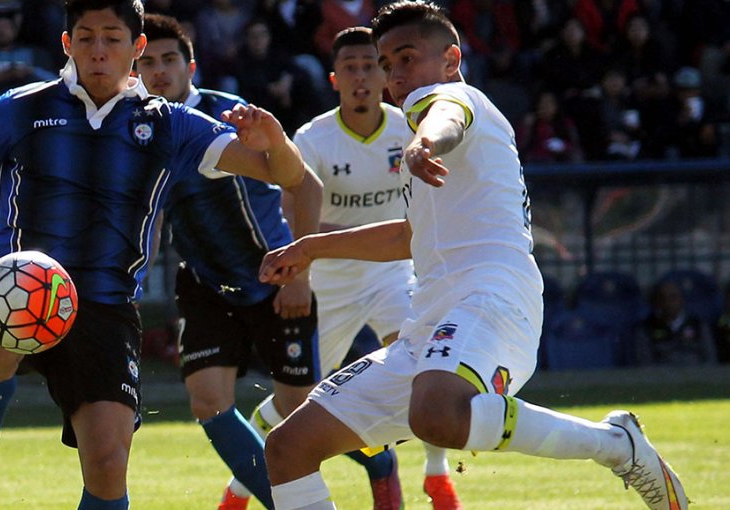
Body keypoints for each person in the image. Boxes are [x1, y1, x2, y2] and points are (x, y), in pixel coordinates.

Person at [0, 1, 310, 509]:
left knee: (109, 466)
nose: (98, 50)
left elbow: (285, 175)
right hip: (21, 284)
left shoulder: (173, 124)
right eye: (86, 37)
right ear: (67, 43)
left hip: (106, 307)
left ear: (136, 49)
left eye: (112, 38)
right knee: (0, 327)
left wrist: (275, 140)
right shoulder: (17, 109)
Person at [258, 3, 689, 510]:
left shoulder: (452, 102)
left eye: (406, 58)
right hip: (431, 321)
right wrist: (310, 248)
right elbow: (408, 237)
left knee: (438, 412)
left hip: (493, 298)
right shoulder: (424, 136)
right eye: (386, 63)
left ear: (451, 60)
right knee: (287, 448)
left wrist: (423, 141)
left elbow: (447, 117)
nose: (394, 75)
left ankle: (616, 445)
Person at [247, 26, 461, 510]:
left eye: (371, 66)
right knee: (293, 403)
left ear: (384, 75)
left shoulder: (409, 128)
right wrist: (300, 272)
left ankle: (437, 473)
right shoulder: (313, 137)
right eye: (351, 68)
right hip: (329, 280)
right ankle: (239, 488)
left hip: (391, 272)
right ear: (334, 79)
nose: (362, 77)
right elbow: (290, 206)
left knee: (429, 363)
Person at [135, 13, 322, 510]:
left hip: (275, 279)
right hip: (205, 285)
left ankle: (381, 466)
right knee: (208, 404)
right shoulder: (137, 134)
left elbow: (306, 185)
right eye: (146, 62)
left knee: (300, 416)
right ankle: (286, 505)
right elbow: (147, 220)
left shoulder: (231, 116)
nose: (159, 71)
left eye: (169, 59)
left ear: (190, 65)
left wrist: (298, 276)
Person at [637, 281, 718, 366]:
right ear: (656, 302)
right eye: (662, 298)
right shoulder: (646, 328)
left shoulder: (698, 325)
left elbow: (710, 358)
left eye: (673, 297)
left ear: (682, 299)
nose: (667, 303)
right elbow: (645, 364)